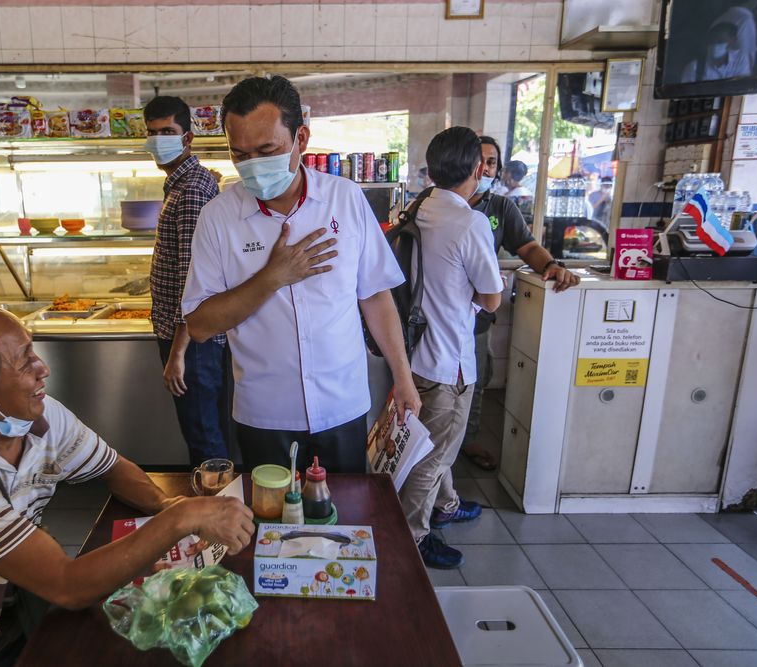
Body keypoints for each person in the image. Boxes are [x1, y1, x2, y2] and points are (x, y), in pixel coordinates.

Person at [0, 298, 254, 667]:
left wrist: (162, 505)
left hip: (14, 613)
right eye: (23, 362)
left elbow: (112, 468)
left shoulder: (38, 416)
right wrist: (181, 518)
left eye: (33, 350)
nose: (42, 368)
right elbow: (66, 586)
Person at [181, 75, 421, 473]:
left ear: (301, 139)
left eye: (267, 150)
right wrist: (272, 277)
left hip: (343, 406)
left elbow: (375, 296)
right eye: (240, 154)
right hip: (265, 416)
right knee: (272, 529)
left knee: (346, 523)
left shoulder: (345, 199)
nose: (253, 165)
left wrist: (404, 378)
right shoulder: (218, 218)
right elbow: (201, 324)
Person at [399, 127, 503, 569]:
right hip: (449, 364)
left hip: (415, 352)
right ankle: (413, 537)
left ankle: (446, 506)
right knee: (433, 455)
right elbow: (492, 297)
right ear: (478, 169)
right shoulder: (470, 221)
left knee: (428, 446)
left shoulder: (419, 208)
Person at [446, 136, 581, 476]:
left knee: (475, 379)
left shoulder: (500, 208)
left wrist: (552, 265)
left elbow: (527, 246)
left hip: (477, 314)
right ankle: (436, 453)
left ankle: (467, 440)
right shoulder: (437, 205)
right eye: (481, 161)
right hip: (438, 313)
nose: (485, 168)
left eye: (492, 162)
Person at [143, 95, 229, 466]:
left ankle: (216, 517)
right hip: (190, 337)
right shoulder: (182, 183)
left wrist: (178, 353)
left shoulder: (192, 188)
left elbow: (193, 282)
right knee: (202, 432)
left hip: (193, 341)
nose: (158, 140)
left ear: (187, 138)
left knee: (204, 436)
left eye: (168, 132)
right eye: (152, 133)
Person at [681, 21, 752, 83]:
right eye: (712, 41)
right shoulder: (695, 67)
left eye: (721, 41)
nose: (715, 45)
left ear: (733, 41)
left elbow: (742, 86)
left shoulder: (741, 59)